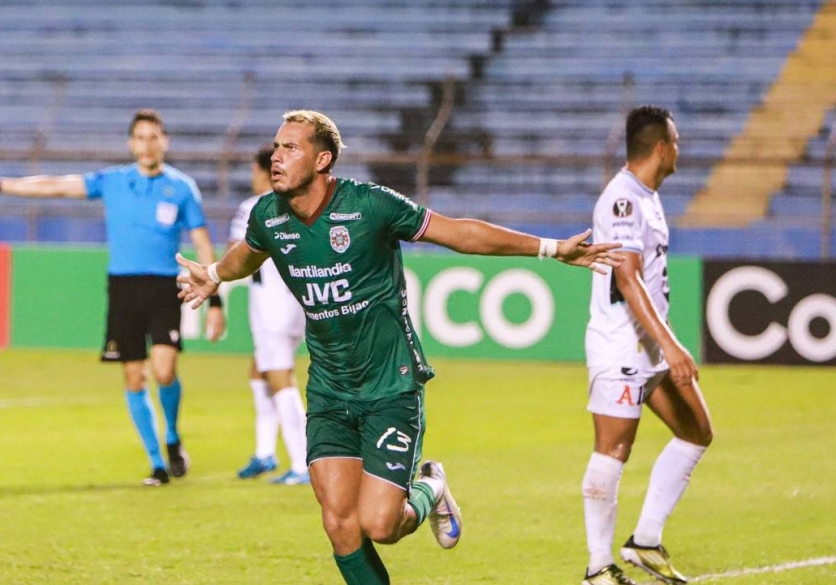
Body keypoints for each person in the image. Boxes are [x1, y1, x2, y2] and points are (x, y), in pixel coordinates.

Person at [176, 109, 624, 585]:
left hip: (391, 385)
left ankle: (430, 486)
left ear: (323, 159)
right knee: (338, 523)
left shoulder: (369, 206)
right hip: (329, 390)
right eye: (277, 146)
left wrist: (552, 249)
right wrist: (218, 274)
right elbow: (250, 251)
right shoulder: (269, 214)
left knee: (381, 524)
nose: (276, 156)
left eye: (291, 147)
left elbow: (461, 233)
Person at [0, 109, 226, 486]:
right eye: (140, 137)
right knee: (134, 376)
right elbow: (56, 185)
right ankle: (156, 464)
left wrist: (214, 297)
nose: (147, 144)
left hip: (164, 287)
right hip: (123, 287)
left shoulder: (182, 188)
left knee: (164, 370)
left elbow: (201, 240)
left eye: (154, 137)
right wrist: (0, 185)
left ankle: (171, 436)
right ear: (130, 143)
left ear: (164, 141)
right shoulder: (113, 181)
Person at [580, 105, 714, 585]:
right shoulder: (624, 200)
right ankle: (598, 568)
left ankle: (645, 541)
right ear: (661, 148)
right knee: (612, 449)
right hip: (621, 345)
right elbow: (628, 278)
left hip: (646, 347)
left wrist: (662, 347)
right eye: (676, 141)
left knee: (697, 430)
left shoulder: (647, 196)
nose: (679, 150)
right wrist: (673, 345)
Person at [231, 146, 309, 485]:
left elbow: (235, 254)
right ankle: (265, 452)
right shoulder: (300, 204)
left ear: (262, 171)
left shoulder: (254, 207)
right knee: (259, 370)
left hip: (272, 308)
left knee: (281, 379)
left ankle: (304, 463)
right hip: (296, 303)